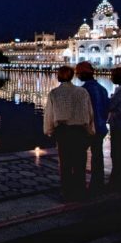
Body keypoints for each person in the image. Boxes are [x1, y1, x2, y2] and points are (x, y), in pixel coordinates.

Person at [44, 66, 95, 202]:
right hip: (80, 132)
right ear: (72, 76)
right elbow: (89, 114)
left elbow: (49, 114)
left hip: (64, 132)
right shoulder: (82, 92)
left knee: (65, 164)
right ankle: (80, 191)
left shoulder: (54, 93)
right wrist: (91, 131)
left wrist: (49, 131)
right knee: (80, 163)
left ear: (59, 76)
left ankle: (67, 192)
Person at [75, 61, 109, 194]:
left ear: (82, 74)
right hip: (101, 128)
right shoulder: (102, 89)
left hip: (88, 129)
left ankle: (80, 185)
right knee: (98, 156)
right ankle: (98, 183)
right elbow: (107, 109)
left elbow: (82, 112)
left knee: (80, 157)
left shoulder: (83, 91)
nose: (77, 75)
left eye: (78, 73)